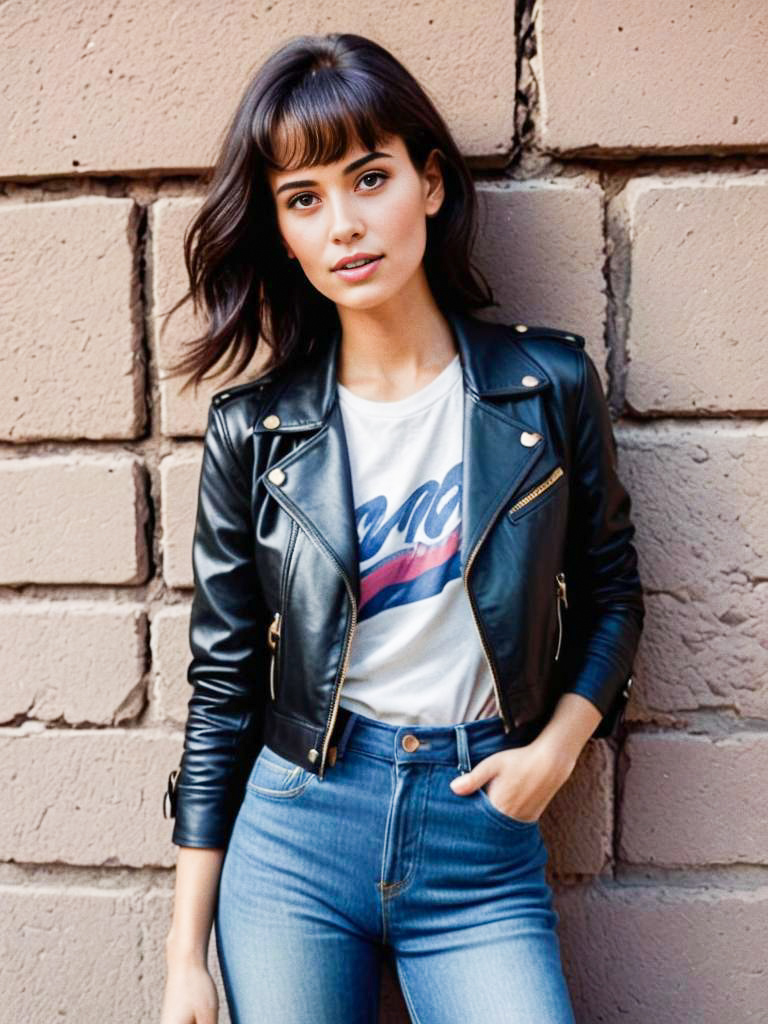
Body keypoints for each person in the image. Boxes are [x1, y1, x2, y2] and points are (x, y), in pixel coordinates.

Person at [159, 31, 644, 1024]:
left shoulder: (545, 387)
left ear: (428, 183)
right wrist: (185, 955)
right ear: (284, 233)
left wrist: (559, 745)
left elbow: (612, 591)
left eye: (368, 177)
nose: (343, 224)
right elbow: (222, 684)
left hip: (480, 840)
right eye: (305, 199)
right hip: (296, 832)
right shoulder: (256, 431)